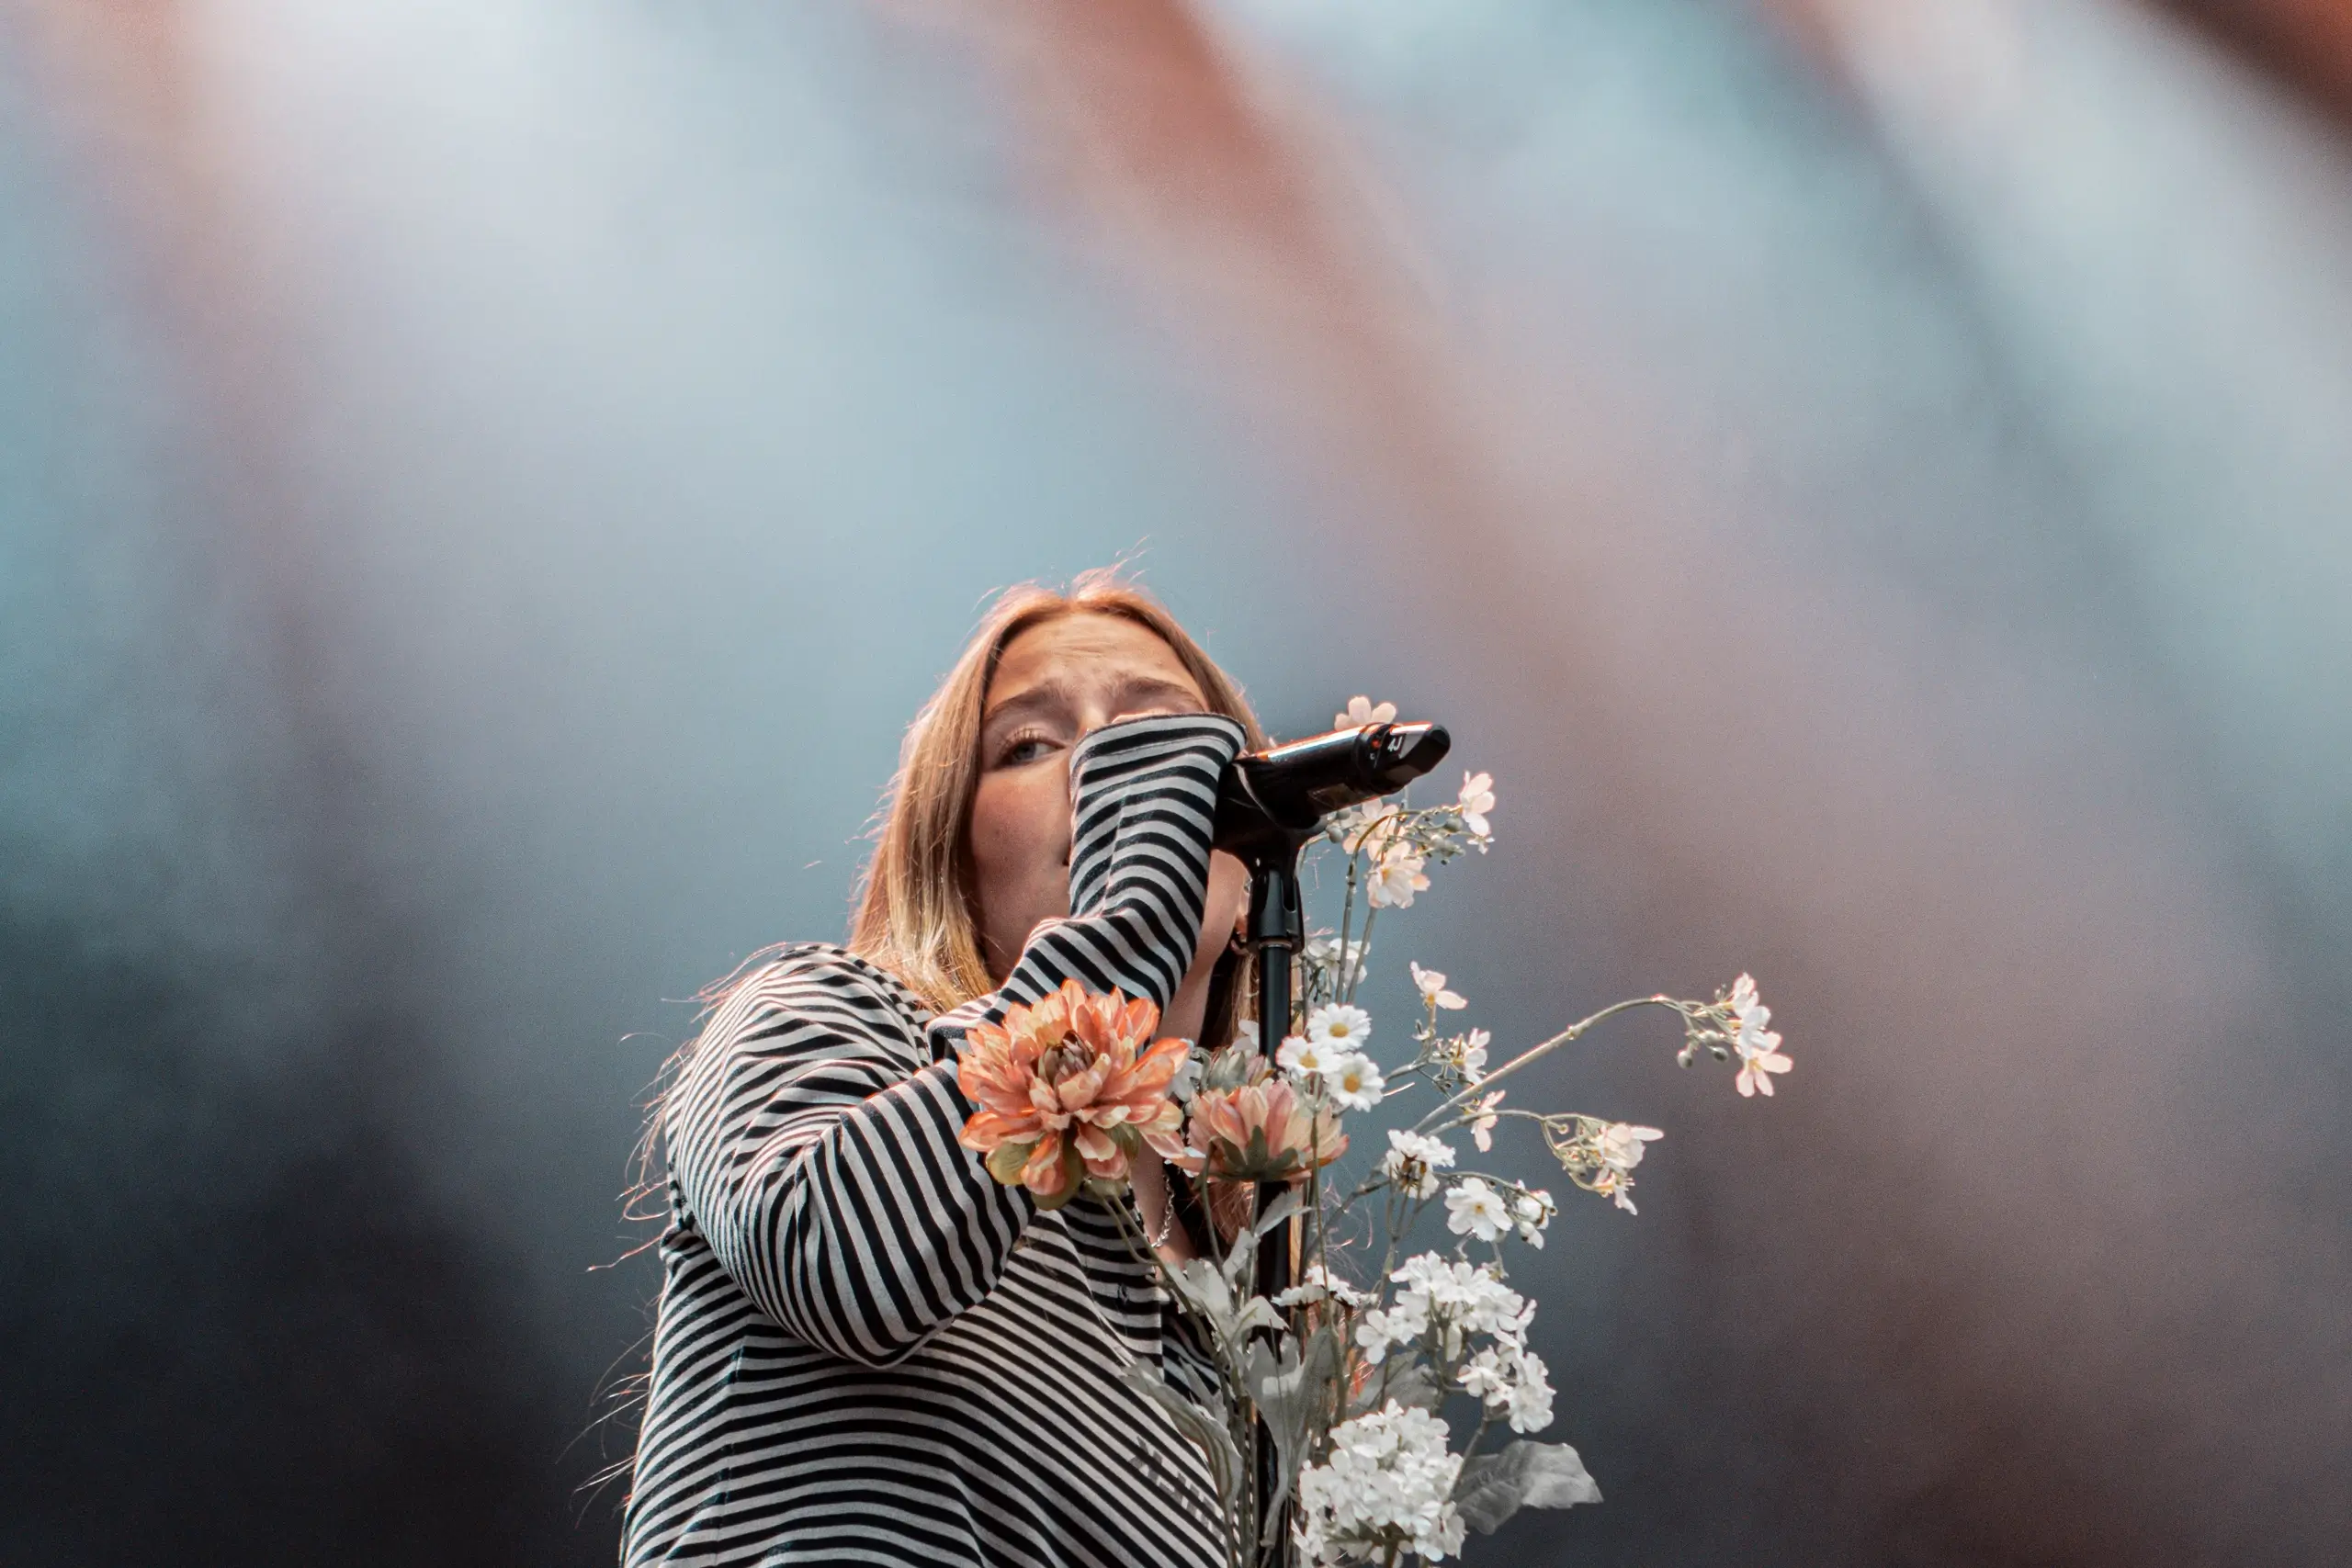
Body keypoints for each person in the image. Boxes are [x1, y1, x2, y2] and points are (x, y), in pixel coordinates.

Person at [622, 571, 1271, 1567]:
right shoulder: (825, 1015)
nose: (1109, 767)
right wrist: (1119, 940)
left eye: (1162, 734)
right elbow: (839, 1265)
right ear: (952, 853)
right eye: (1031, 745)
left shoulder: (1254, 1289)